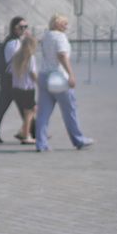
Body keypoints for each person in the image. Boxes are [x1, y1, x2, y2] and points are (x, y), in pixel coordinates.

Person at [34, 14, 93, 151]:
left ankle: (41, 143)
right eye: (64, 23)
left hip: (44, 75)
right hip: (58, 76)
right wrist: (71, 74)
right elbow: (61, 55)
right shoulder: (60, 37)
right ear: (57, 24)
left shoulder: (46, 36)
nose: (66, 26)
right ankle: (78, 139)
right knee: (69, 110)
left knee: (43, 113)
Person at [0, 16, 29, 143]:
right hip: (12, 80)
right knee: (26, 108)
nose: (24, 29)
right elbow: (16, 63)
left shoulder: (13, 41)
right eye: (21, 27)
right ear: (14, 28)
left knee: (5, 109)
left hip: (8, 80)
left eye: (26, 27)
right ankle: (32, 132)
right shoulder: (13, 43)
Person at [2, 23, 39, 144]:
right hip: (28, 88)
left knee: (31, 110)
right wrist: (40, 83)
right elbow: (33, 73)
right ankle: (26, 135)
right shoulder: (30, 58)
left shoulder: (17, 56)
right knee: (29, 112)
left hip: (17, 88)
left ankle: (22, 132)